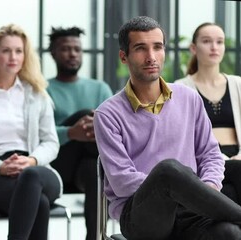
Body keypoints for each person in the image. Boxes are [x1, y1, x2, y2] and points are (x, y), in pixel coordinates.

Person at [94, 16, 241, 239]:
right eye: (141, 48)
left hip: (190, 211)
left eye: (157, 47)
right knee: (167, 171)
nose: (151, 57)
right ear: (124, 56)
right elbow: (123, 181)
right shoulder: (107, 114)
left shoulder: (188, 98)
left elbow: (211, 154)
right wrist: (183, 189)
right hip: (141, 216)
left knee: (229, 233)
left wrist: (207, 186)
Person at [0, 24, 62, 240]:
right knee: (40, 203)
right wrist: (0, 167)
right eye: (6, 50)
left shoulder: (38, 95)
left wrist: (32, 161)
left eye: (18, 51)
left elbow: (51, 143)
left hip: (37, 168)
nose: (13, 57)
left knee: (31, 178)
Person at [46, 26, 113, 240]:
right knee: (87, 114)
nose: (73, 54)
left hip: (89, 169)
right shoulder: (43, 90)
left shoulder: (99, 88)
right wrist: (71, 133)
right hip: (58, 165)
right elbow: (36, 137)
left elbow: (115, 129)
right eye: (66, 49)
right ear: (53, 53)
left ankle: (94, 237)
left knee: (95, 171)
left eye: (77, 49)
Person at [175, 23, 241, 205]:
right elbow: (182, 138)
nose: (214, 47)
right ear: (193, 48)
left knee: (229, 192)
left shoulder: (238, 84)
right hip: (204, 163)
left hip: (238, 157)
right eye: (207, 41)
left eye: (219, 42)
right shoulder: (180, 88)